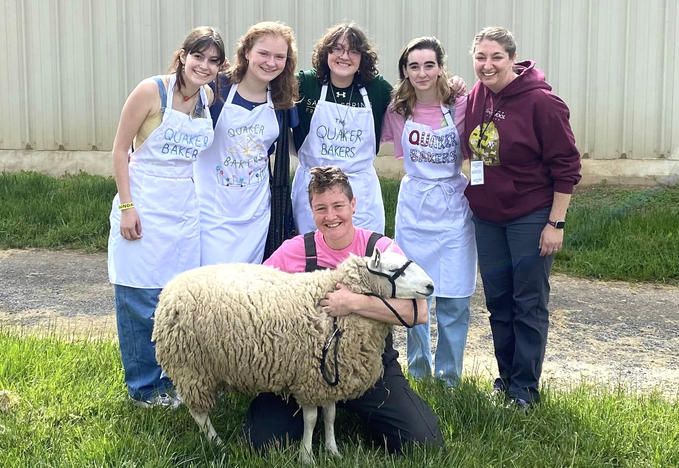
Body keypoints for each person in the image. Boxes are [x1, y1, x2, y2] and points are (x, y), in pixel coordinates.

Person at [243, 166, 444, 453]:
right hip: (304, 370)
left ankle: (364, 414)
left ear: (353, 205)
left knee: (424, 444)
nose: (330, 216)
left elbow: (419, 312)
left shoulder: (380, 248)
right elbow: (254, 293)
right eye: (320, 208)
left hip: (368, 367)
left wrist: (354, 303)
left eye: (338, 206)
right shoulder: (295, 250)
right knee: (261, 442)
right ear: (312, 211)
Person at [463, 27, 581, 408]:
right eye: (480, 57)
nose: (487, 65)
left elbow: (567, 166)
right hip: (488, 217)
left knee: (528, 301)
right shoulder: (478, 94)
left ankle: (526, 390)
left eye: (496, 57)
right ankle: (507, 380)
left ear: (512, 59)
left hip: (530, 216)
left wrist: (555, 222)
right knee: (499, 300)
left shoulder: (542, 103)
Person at [107, 27, 226, 408]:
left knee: (175, 299)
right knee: (138, 295)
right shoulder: (150, 91)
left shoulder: (206, 98)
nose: (203, 66)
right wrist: (127, 207)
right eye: (198, 57)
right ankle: (143, 389)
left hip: (183, 206)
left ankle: (173, 381)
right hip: (143, 199)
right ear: (183, 55)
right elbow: (120, 150)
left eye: (212, 61)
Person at [381, 37, 477, 387]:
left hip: (453, 206)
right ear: (404, 71)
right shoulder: (397, 110)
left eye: (429, 65)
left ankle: (450, 380)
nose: (422, 73)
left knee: (454, 298)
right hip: (415, 208)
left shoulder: (463, 104)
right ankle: (418, 376)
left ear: (441, 67)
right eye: (413, 66)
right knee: (413, 293)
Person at [194, 21, 298, 265]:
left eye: (279, 56)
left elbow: (287, 147)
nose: (270, 62)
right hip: (212, 212)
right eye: (263, 53)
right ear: (246, 52)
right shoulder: (215, 89)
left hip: (256, 214)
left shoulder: (283, 100)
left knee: (245, 290)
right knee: (210, 286)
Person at [291, 23, 392, 235]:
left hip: (359, 193)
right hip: (313, 188)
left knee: (362, 259)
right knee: (313, 257)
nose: (344, 56)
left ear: (363, 58)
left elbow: (415, 98)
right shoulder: (306, 84)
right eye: (337, 48)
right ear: (325, 52)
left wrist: (452, 87)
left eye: (353, 51)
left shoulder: (377, 89)